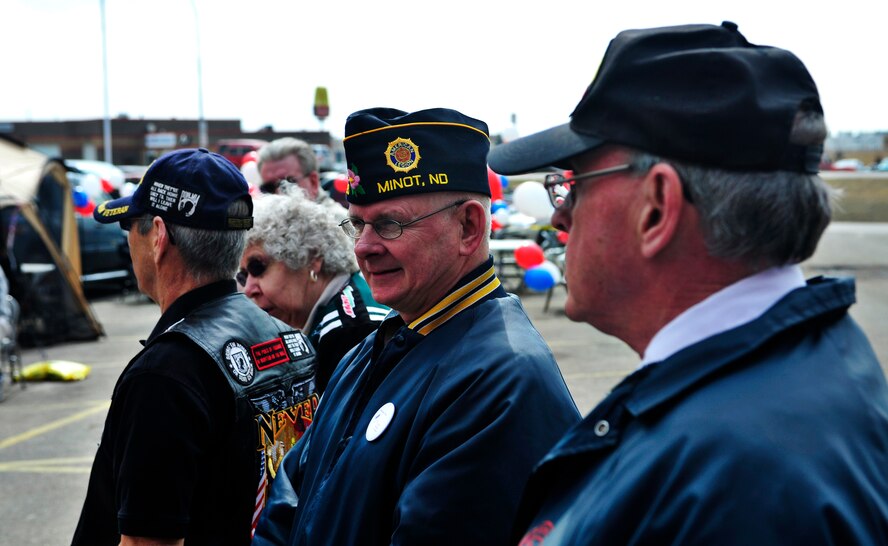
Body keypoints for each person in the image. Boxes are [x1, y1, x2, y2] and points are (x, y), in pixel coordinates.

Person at [488, 21, 888, 545]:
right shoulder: (790, 373)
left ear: (657, 207)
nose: (559, 217)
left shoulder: (738, 479)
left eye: (572, 184)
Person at [253, 108, 580, 546]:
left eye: (390, 224)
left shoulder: (500, 378)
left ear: (468, 226)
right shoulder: (372, 350)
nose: (364, 247)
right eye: (358, 223)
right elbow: (290, 496)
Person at [73, 148, 319, 546]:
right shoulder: (289, 338)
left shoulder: (166, 375)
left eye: (129, 228)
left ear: (158, 236)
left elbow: (148, 541)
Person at [239, 191, 389, 393]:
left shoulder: (349, 332)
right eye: (243, 275)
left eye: (258, 267)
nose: (249, 289)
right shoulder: (341, 309)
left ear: (311, 259)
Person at [256, 137, 345, 212]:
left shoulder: (341, 227)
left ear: (313, 181)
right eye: (267, 188)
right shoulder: (261, 224)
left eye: (287, 185)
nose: (278, 195)